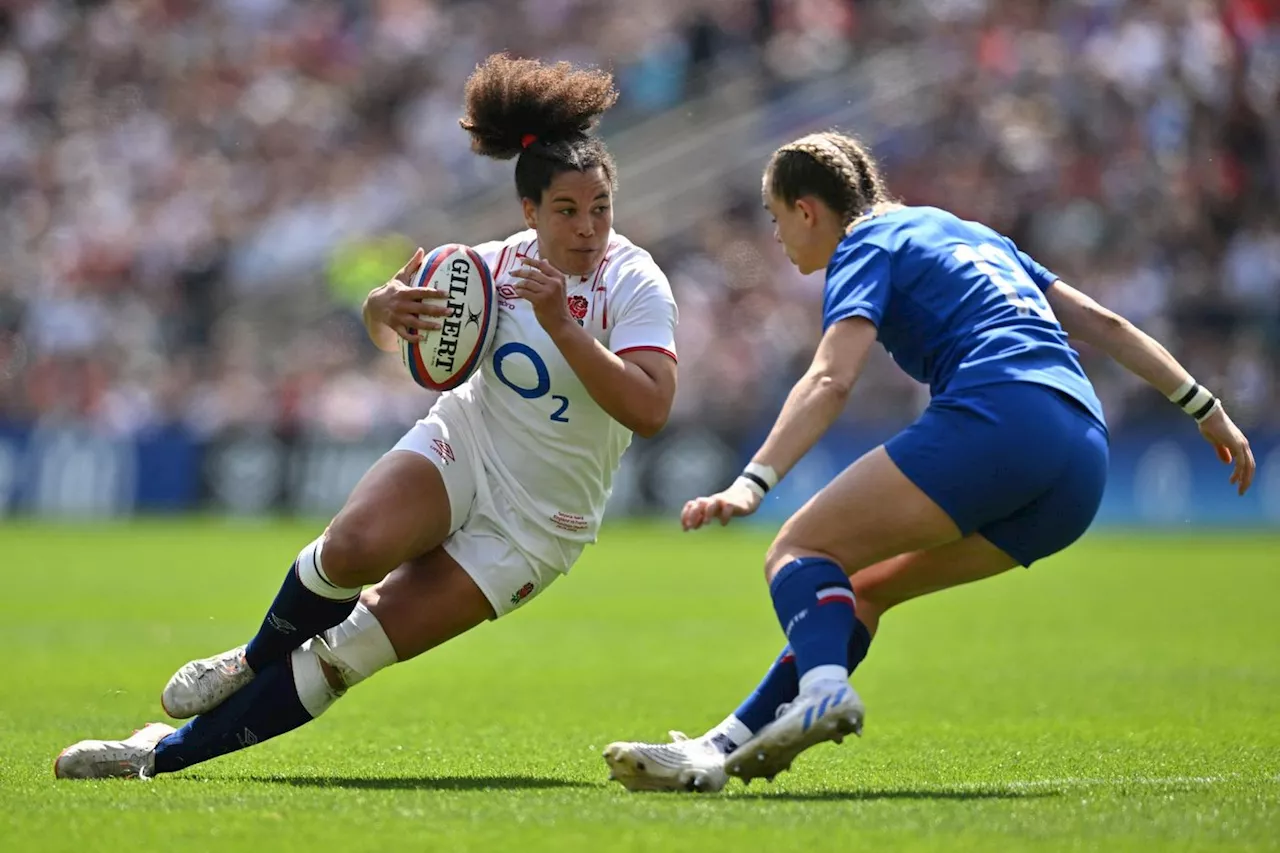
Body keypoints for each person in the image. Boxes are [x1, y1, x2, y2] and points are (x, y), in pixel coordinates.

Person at [54, 54, 679, 780]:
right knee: (351, 546)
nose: (588, 227)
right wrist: (380, 312)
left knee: (347, 653)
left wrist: (565, 328)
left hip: (541, 522)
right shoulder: (488, 266)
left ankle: (156, 756)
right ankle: (251, 657)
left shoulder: (634, 281)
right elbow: (408, 339)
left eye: (600, 207)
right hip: (469, 441)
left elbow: (653, 407)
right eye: (567, 211)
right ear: (529, 213)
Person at [603, 130, 1255, 793]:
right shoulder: (967, 232)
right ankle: (720, 747)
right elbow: (1105, 325)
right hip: (1082, 459)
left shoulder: (862, 243)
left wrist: (753, 480)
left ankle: (824, 690)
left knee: (799, 548)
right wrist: (1206, 408)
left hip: (1002, 413)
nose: (777, 238)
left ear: (808, 210)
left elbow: (831, 379)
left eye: (776, 219)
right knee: (861, 591)